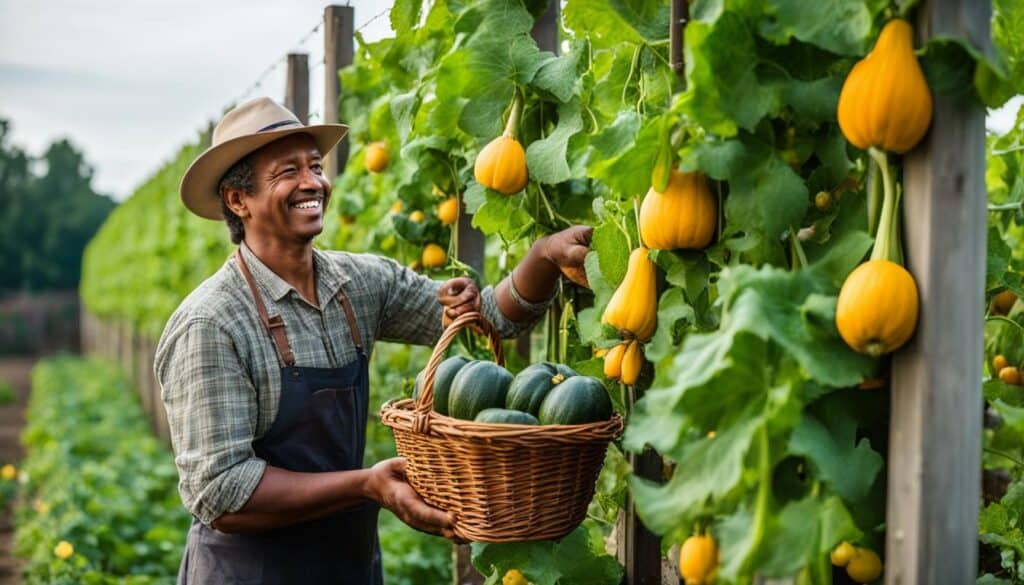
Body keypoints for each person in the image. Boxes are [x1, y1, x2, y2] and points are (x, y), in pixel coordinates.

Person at [154, 96, 592, 584]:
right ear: (238, 201)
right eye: (287, 171)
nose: (313, 183)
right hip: (248, 573)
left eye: (316, 166)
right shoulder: (212, 322)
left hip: (346, 565)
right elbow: (221, 491)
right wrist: (367, 485)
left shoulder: (359, 284)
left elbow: (486, 317)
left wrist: (544, 256)